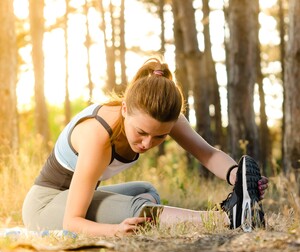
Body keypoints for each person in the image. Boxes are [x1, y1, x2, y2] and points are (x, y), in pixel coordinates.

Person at [22, 57, 268, 237]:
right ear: (125, 110)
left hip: (76, 199)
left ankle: (237, 210)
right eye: (141, 132)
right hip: (45, 207)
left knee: (147, 190)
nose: (148, 143)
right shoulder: (98, 135)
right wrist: (113, 230)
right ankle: (226, 218)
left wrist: (238, 177)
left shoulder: (161, 116)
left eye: (160, 137)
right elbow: (71, 221)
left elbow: (208, 154)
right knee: (139, 210)